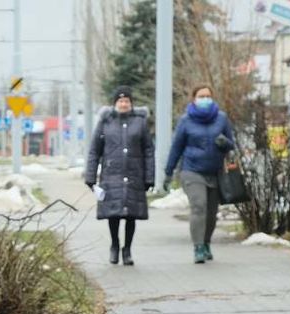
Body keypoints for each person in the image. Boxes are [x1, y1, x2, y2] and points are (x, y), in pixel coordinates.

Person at [162, 84, 236, 264]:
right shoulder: (186, 121)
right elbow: (176, 147)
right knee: (199, 206)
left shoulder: (221, 118)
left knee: (211, 212)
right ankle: (198, 247)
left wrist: (224, 142)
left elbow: (231, 144)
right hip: (192, 171)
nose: (205, 99)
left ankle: (207, 242)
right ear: (194, 99)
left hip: (215, 171)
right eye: (201, 96)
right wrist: (168, 172)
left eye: (208, 96)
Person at [85, 86, 156, 266]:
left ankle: (127, 250)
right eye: (120, 101)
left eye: (127, 101)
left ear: (131, 104)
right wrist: (90, 176)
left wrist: (149, 177)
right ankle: (115, 245)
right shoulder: (105, 122)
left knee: (131, 214)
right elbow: (95, 150)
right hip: (111, 174)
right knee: (113, 214)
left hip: (134, 174)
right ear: (115, 103)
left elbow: (148, 150)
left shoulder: (140, 122)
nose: (124, 104)